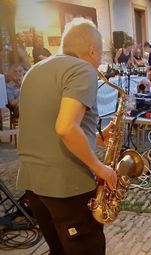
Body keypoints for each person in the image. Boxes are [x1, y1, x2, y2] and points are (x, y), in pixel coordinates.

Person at [16, 18, 117, 255]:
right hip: (66, 187)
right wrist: (99, 167)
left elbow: (46, 124)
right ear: (92, 50)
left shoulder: (35, 70)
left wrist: (97, 139)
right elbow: (65, 128)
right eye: (100, 52)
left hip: (33, 184)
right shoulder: (83, 69)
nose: (100, 59)